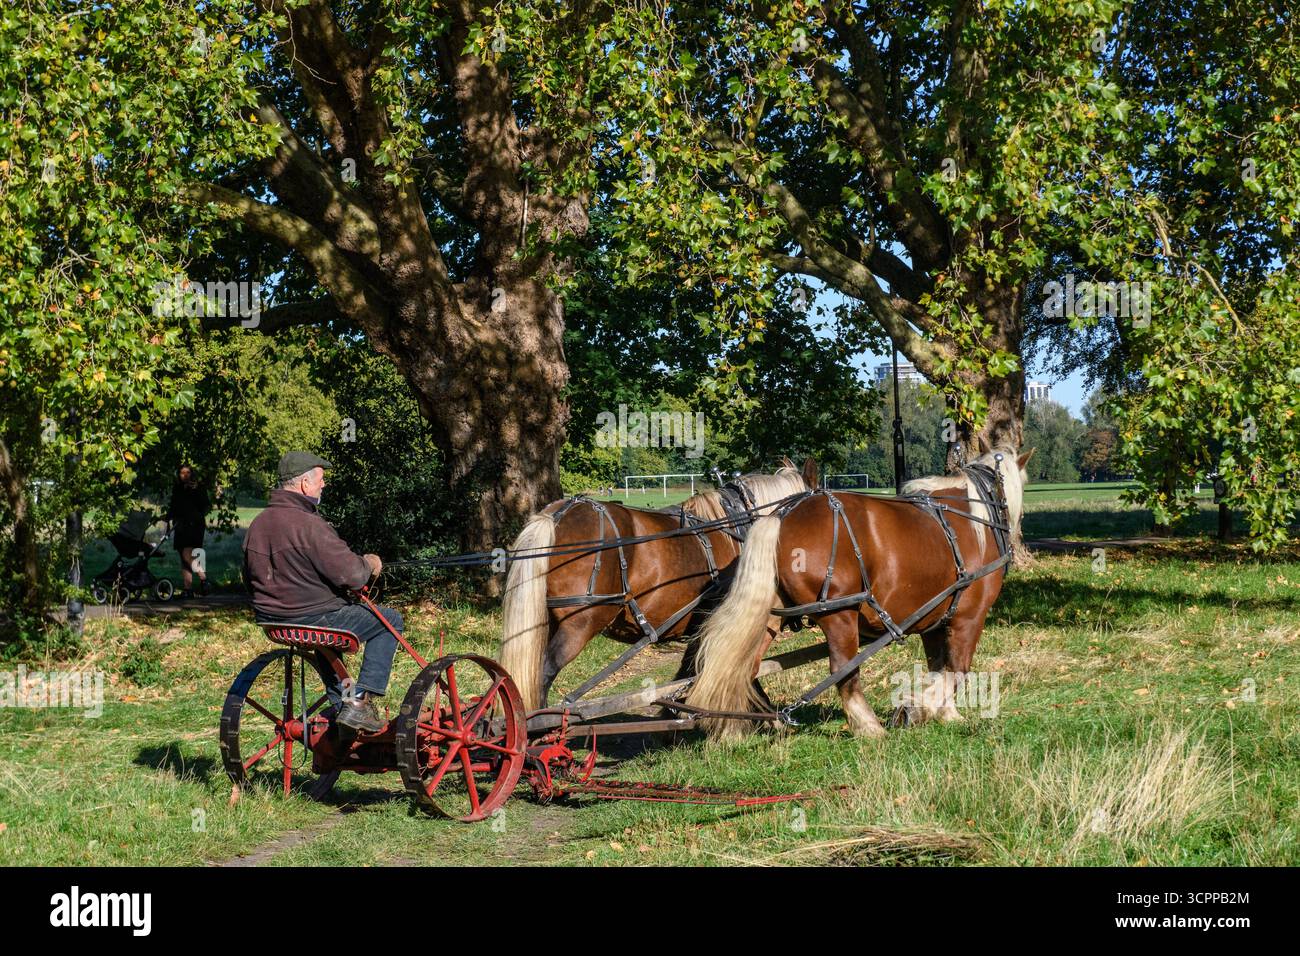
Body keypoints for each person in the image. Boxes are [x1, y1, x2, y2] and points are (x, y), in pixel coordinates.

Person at [242, 451, 400, 733]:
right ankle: (361, 701)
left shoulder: (258, 524)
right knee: (389, 620)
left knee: (327, 645)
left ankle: (345, 706)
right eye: (321, 479)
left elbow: (250, 577)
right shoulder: (310, 525)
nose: (324, 485)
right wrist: (371, 564)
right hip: (314, 617)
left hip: (273, 620)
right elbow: (352, 575)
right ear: (304, 484)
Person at [166, 464, 211, 598]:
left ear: (192, 474)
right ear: (178, 475)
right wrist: (167, 517)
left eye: (188, 473)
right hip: (180, 525)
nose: (185, 475)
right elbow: (174, 506)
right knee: (183, 556)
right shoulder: (177, 488)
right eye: (182, 473)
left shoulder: (198, 487)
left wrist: (196, 492)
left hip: (194, 525)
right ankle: (188, 589)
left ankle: (203, 579)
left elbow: (206, 505)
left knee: (188, 553)